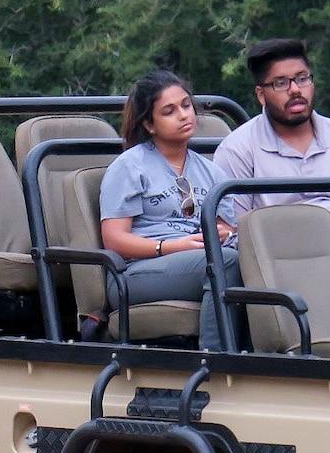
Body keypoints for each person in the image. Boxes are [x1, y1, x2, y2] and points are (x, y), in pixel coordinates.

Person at [100, 70, 241, 351]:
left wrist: (223, 233)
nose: (183, 115)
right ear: (150, 125)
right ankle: (217, 359)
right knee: (224, 262)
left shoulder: (211, 171)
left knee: (253, 257)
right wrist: (173, 246)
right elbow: (114, 240)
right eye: (169, 111)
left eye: (186, 106)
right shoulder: (130, 167)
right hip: (136, 273)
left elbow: (225, 226)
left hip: (198, 259)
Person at [212, 38, 330, 232]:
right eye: (280, 83)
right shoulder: (237, 149)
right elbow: (233, 232)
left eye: (302, 78)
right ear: (261, 95)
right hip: (282, 255)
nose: (295, 90)